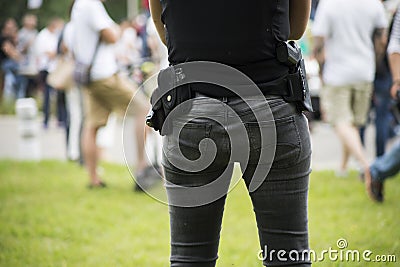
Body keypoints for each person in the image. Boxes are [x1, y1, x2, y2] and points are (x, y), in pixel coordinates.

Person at [149, 0, 312, 266]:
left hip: (192, 109)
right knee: (288, 257)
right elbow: (295, 28)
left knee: (189, 257)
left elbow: (163, 26)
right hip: (270, 104)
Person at [71, 0, 151, 188]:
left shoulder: (79, 5)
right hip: (104, 75)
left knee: (92, 125)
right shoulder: (92, 5)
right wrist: (118, 29)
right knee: (144, 109)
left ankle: (94, 180)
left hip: (91, 76)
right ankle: (142, 169)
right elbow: (111, 36)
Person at [312, 0, 387, 176]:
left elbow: (318, 42)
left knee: (341, 122)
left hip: (337, 73)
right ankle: (343, 168)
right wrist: (373, 64)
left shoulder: (329, 4)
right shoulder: (373, 4)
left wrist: (322, 71)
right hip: (365, 71)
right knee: (351, 123)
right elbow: (381, 40)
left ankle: (366, 166)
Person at [365, 4, 400, 202]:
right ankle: (377, 169)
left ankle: (377, 167)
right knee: (379, 117)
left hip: (374, 72)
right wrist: (396, 80)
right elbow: (391, 43)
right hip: (378, 74)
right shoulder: (378, 8)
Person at [34, 17, 65, 128]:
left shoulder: (55, 35)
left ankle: (60, 119)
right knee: (47, 96)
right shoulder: (43, 35)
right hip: (46, 68)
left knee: (59, 96)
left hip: (55, 68)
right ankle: (46, 121)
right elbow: (45, 52)